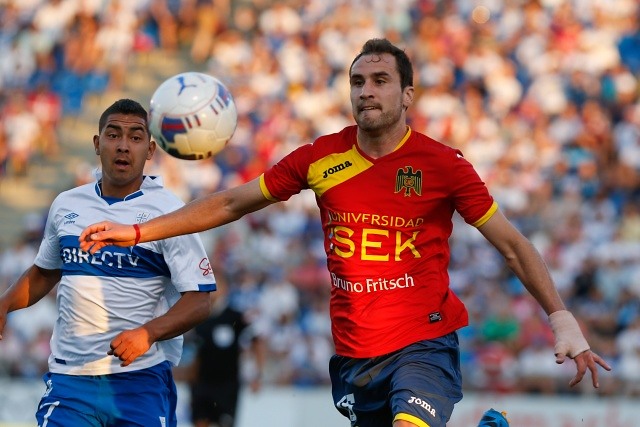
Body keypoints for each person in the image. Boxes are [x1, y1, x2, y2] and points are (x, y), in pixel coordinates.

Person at [79, 40, 611, 427]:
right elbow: (229, 202)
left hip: (423, 344)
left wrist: (562, 320)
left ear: (408, 95)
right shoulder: (321, 158)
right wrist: (138, 231)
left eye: (380, 81)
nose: (365, 91)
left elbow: (514, 247)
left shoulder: (443, 165)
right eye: (357, 82)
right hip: (355, 356)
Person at [0, 98, 216, 427]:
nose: (124, 146)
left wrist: (148, 333)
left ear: (150, 149)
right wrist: (4, 304)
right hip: (70, 379)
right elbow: (45, 272)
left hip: (139, 379)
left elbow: (200, 300)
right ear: (97, 144)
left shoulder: (172, 213)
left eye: (135, 137)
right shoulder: (66, 204)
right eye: (114, 135)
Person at [185, 274, 265, 427]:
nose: (212, 290)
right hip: (202, 383)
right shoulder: (199, 317)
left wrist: (258, 375)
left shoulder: (236, 316)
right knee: (200, 421)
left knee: (225, 423)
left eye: (216, 285)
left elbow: (258, 342)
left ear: (226, 289)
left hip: (227, 385)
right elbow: (194, 353)